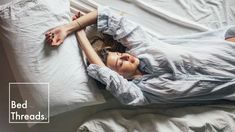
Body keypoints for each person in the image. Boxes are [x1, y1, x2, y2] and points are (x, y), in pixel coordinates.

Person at [45, 7, 235, 105]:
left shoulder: (143, 47)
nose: (127, 57)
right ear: (121, 78)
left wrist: (71, 27)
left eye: (122, 54)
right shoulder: (139, 94)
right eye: (120, 63)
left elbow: (109, 17)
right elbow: (105, 73)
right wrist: (80, 36)